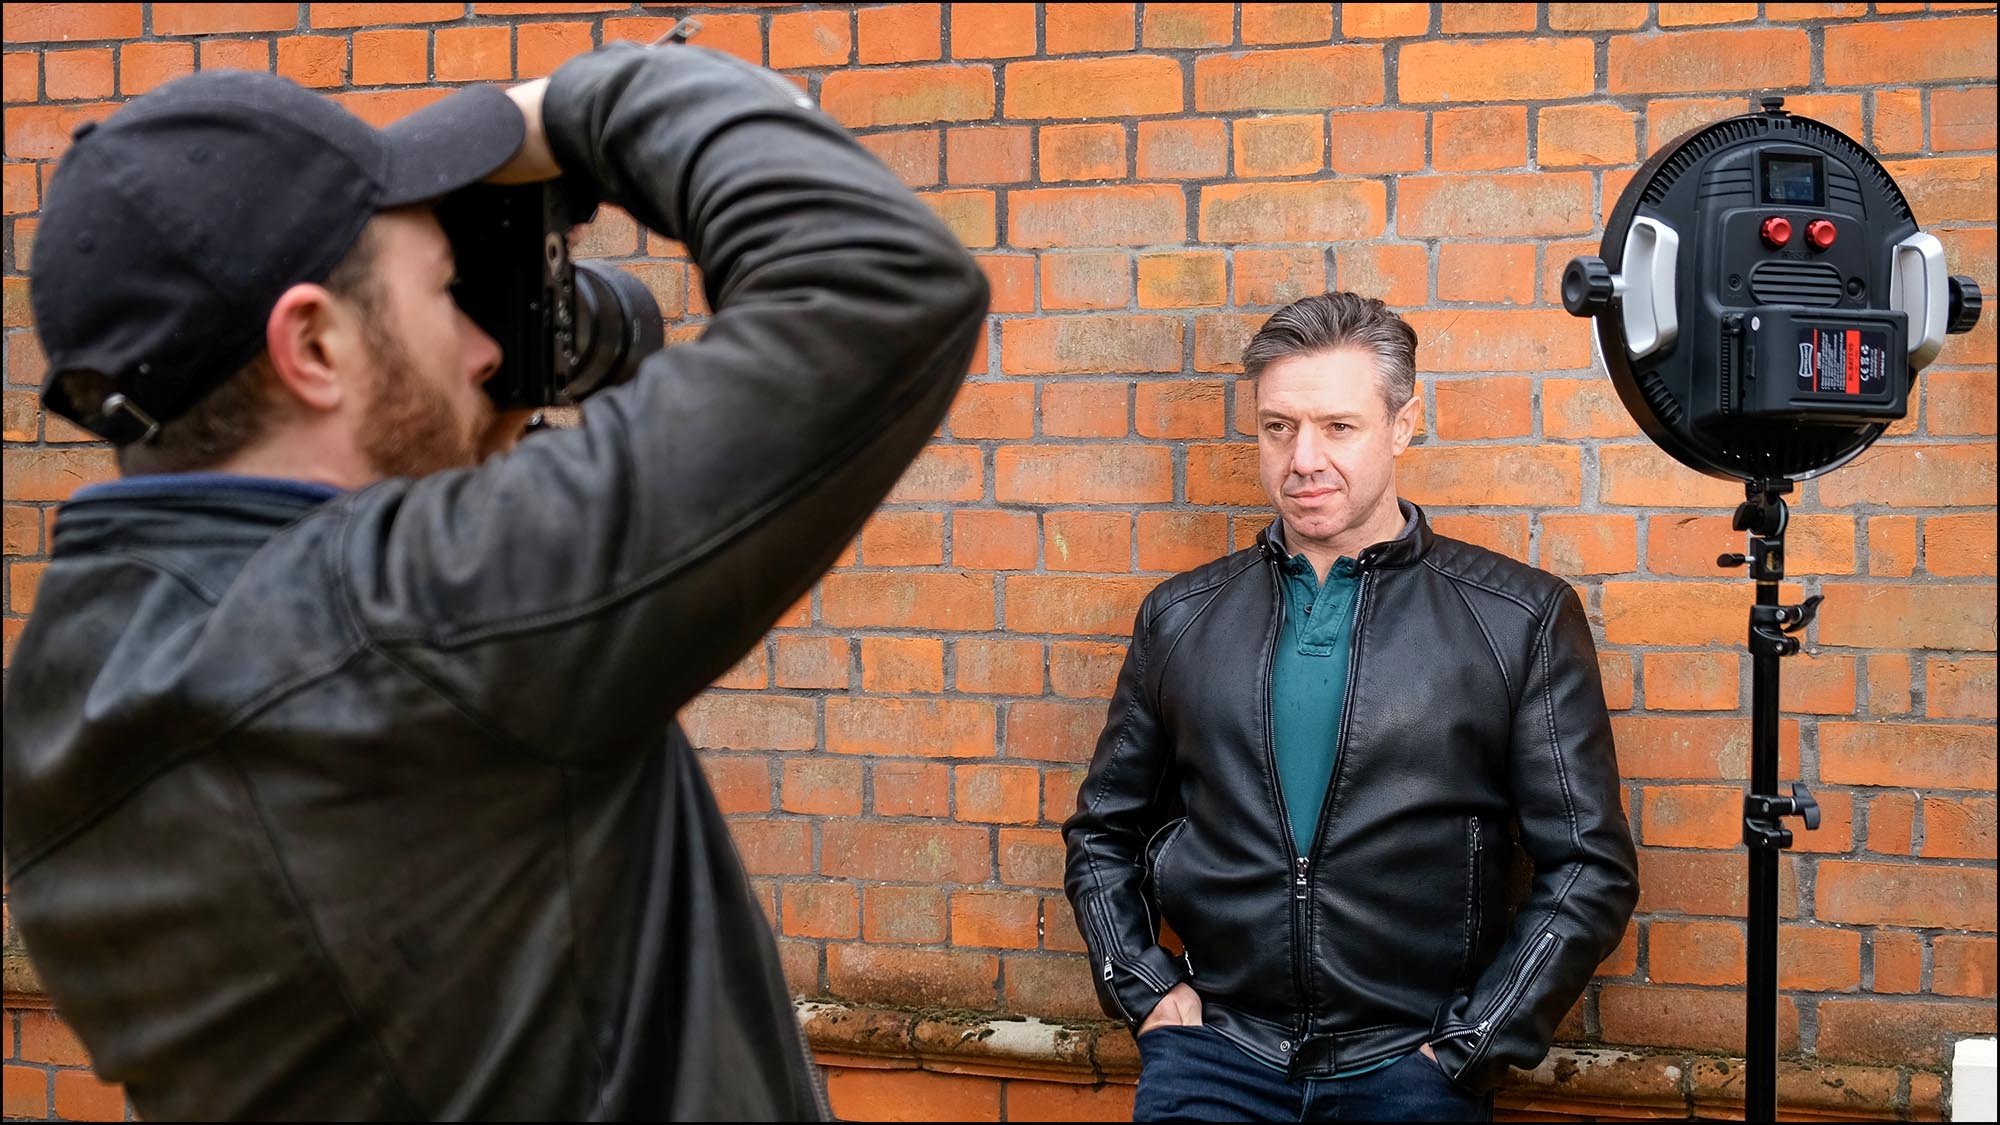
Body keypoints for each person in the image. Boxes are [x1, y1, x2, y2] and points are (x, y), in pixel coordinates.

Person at [1, 39, 987, 1120]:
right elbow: (883, 280)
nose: (482, 346)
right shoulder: (421, 621)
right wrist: (577, 109)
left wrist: (452, 436)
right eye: (438, 291)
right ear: (314, 346)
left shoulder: (61, 693)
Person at [1063, 292, 1638, 1123]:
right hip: (1218, 1056)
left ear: (1402, 426)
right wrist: (1147, 990)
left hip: (1410, 1067)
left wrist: (1470, 1045)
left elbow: (1588, 863)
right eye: (1277, 427)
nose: (1302, 459)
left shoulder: (1517, 617)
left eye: (1338, 426)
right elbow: (1103, 830)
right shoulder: (1181, 616)